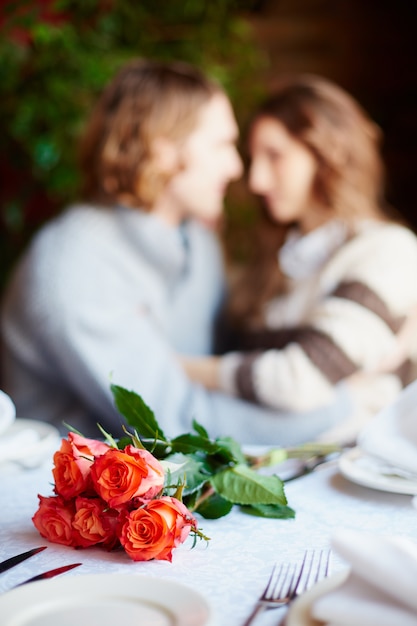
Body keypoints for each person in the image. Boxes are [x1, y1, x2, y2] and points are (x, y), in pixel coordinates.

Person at [0, 60, 351, 446]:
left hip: (171, 485)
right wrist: (346, 405)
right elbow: (175, 425)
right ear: (162, 150)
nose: (237, 168)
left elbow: (227, 358)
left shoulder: (197, 242)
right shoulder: (75, 265)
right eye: (221, 145)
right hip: (63, 494)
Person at [180, 73, 417, 443]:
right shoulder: (282, 259)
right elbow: (262, 370)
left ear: (327, 154)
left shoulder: (387, 251)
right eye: (253, 158)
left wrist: (178, 369)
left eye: (275, 156)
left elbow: (297, 381)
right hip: (272, 460)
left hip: (354, 474)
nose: (256, 180)